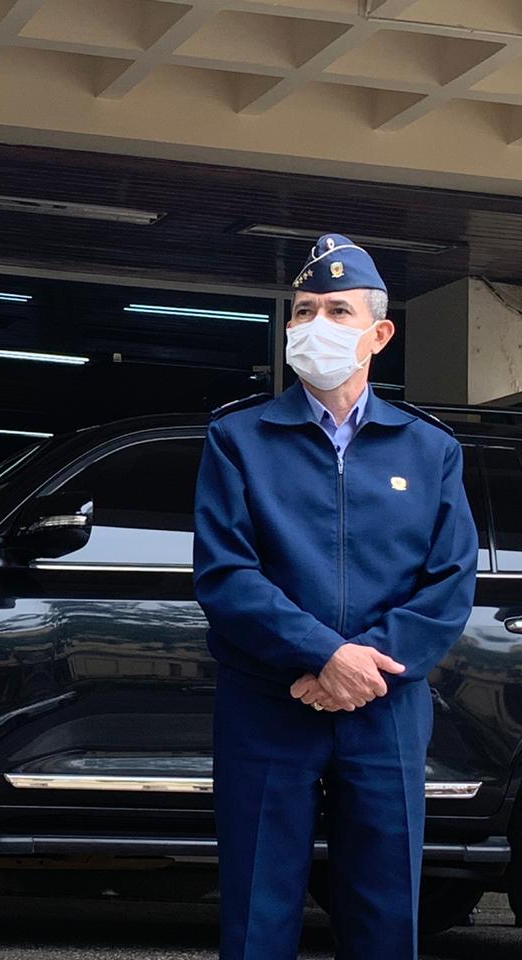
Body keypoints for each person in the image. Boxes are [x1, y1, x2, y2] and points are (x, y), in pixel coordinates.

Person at [192, 234, 478, 959]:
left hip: (385, 706)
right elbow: (226, 574)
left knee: (386, 915)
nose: (315, 323)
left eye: (337, 309)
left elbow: (449, 580)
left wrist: (363, 666)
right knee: (258, 912)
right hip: (267, 700)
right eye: (303, 309)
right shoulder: (238, 438)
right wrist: (326, 654)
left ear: (379, 333)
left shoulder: (429, 449)